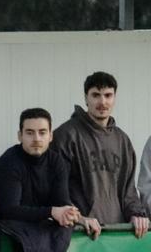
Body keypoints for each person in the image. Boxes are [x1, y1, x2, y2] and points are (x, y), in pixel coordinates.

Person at [0, 109, 79, 252]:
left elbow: (62, 203)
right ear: (19, 135)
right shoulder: (9, 162)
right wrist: (51, 212)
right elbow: (9, 210)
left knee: (65, 227)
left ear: (51, 135)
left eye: (42, 132)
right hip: (12, 226)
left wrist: (72, 214)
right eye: (29, 132)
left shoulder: (57, 162)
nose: (36, 138)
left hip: (42, 225)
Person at [51, 71, 148, 239]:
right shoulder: (65, 135)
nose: (102, 102)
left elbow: (128, 190)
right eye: (96, 95)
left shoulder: (122, 140)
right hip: (78, 233)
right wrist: (78, 218)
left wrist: (136, 214)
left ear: (115, 97)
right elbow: (56, 188)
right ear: (86, 98)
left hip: (116, 233)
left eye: (108, 95)